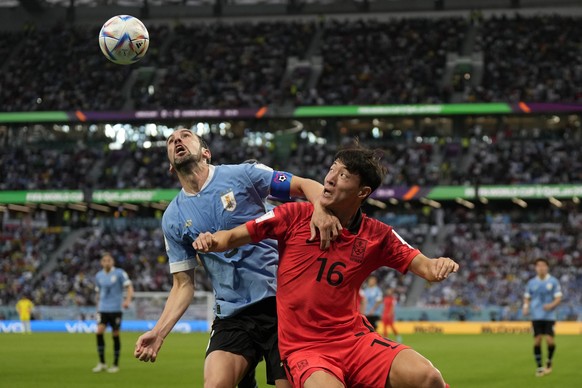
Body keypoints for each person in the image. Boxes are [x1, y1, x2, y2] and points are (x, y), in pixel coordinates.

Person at [194, 144, 459, 388]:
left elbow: (425, 267)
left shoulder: (378, 235)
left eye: (343, 175)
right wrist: (210, 240)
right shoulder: (292, 216)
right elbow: (232, 236)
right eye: (332, 169)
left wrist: (438, 265)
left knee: (428, 377)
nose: (330, 178)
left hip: (355, 340)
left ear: (362, 192)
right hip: (305, 348)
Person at [134, 129, 341, 388]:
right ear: (170, 167)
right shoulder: (173, 218)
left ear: (206, 153)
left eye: (185, 136)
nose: (177, 140)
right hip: (233, 314)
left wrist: (320, 210)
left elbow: (304, 185)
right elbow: (183, 285)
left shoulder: (243, 175)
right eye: (171, 141)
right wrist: (159, 332)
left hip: (281, 304)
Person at [93, 253, 134, 373]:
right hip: (103, 309)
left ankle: (115, 364)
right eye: (104, 260)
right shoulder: (98, 275)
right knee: (99, 332)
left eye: (109, 260)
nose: (107, 262)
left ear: (113, 262)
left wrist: (127, 300)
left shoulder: (120, 273)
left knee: (115, 334)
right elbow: (98, 293)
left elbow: (129, 287)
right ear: (101, 263)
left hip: (116, 309)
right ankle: (102, 363)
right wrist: (97, 306)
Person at [523, 258, 562, 377]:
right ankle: (539, 366)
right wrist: (525, 307)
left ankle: (549, 361)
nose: (541, 268)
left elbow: (558, 298)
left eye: (543, 265)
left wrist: (551, 305)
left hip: (549, 316)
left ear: (547, 267)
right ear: (535, 268)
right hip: (536, 315)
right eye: (538, 265)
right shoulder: (531, 283)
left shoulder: (553, 281)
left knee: (550, 341)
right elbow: (527, 297)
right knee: (538, 339)